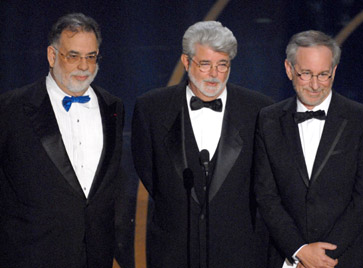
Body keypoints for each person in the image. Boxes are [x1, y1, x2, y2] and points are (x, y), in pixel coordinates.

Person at [131, 21, 273, 268]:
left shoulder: (259, 110)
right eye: (205, 64)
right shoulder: (151, 108)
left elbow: (266, 186)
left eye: (222, 65)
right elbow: (150, 175)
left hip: (239, 255)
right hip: (172, 253)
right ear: (186, 62)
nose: (214, 74)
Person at [0, 13, 131, 268]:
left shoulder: (113, 107)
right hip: (30, 256)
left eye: (91, 56)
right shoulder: (10, 109)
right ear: (52, 55)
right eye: (73, 56)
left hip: (97, 257)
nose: (84, 66)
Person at [254, 30, 363, 268]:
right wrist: (300, 251)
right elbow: (266, 196)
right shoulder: (268, 119)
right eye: (306, 74)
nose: (315, 85)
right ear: (289, 69)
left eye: (323, 75)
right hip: (289, 259)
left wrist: (322, 257)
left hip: (348, 258)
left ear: (334, 71)